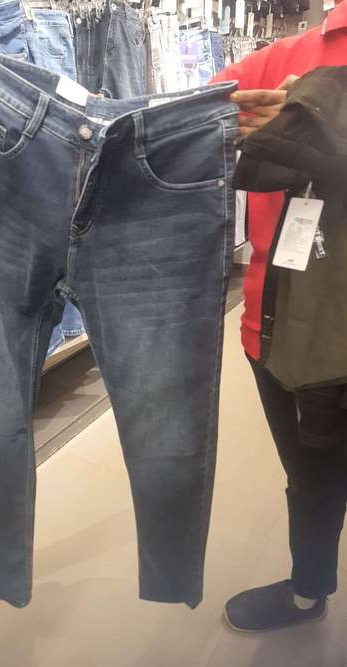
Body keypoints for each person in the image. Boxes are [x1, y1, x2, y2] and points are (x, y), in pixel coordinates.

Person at [211, 0, 347, 633]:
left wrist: (325, 117)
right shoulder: (285, 57)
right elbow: (177, 124)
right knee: (311, 476)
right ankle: (307, 589)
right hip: (282, 328)